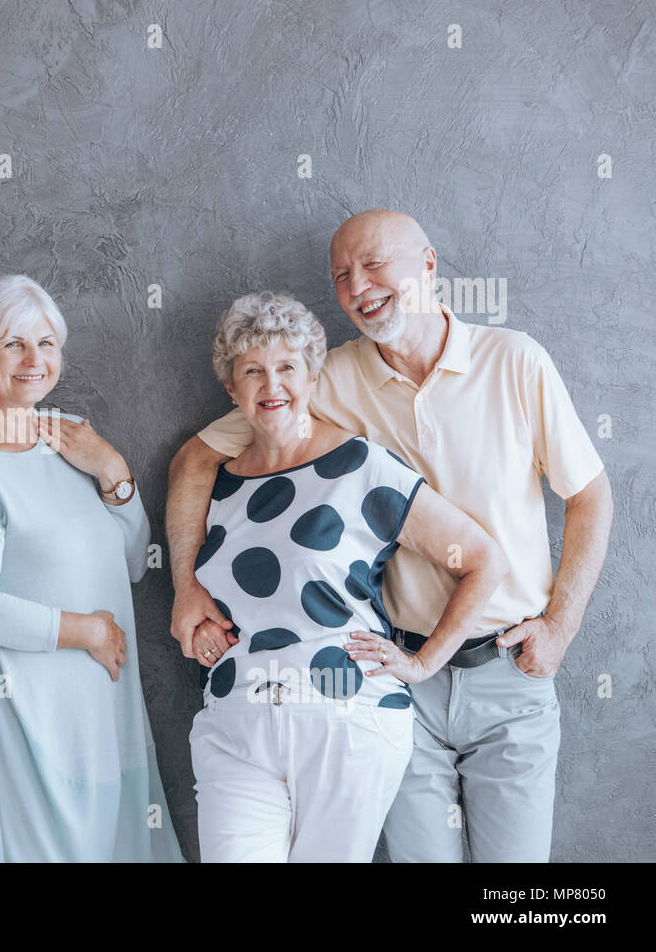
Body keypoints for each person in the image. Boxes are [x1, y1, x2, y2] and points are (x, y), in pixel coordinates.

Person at [168, 211, 613, 862]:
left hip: (509, 669)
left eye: (374, 264)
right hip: (398, 674)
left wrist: (562, 624)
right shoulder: (325, 379)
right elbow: (195, 459)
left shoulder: (514, 361)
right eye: (342, 275)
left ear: (428, 265)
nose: (358, 286)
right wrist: (185, 586)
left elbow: (590, 495)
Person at [187, 291, 507, 862]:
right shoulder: (222, 486)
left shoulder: (361, 466)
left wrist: (423, 662)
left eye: (288, 367)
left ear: (313, 377)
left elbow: (483, 559)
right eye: (252, 372)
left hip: (343, 713)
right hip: (236, 722)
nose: (272, 385)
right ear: (231, 390)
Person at [0, 274, 183, 862]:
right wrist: (87, 630)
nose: (34, 359)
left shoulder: (70, 442)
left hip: (100, 716)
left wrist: (113, 469)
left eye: (46, 344)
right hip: (21, 716)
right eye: (14, 344)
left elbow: (133, 563)